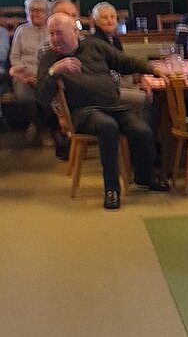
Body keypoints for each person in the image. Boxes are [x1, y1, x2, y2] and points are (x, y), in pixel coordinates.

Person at [37, 14, 169, 210]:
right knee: (108, 127)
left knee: (142, 130)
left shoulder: (94, 46)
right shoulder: (49, 58)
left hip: (113, 106)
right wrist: (54, 71)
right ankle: (111, 189)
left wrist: (152, 69)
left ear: (75, 32)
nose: (55, 39)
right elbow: (41, 97)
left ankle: (144, 176)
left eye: (59, 33)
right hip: (82, 112)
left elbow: (123, 61)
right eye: (51, 34)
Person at [8, 0, 50, 142]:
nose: (34, 14)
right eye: (31, 10)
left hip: (47, 75)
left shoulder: (52, 30)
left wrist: (41, 76)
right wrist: (24, 74)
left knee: (48, 97)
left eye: (39, 11)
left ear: (46, 13)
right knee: (24, 97)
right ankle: (40, 127)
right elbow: (14, 56)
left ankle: (43, 127)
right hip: (23, 75)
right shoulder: (21, 30)